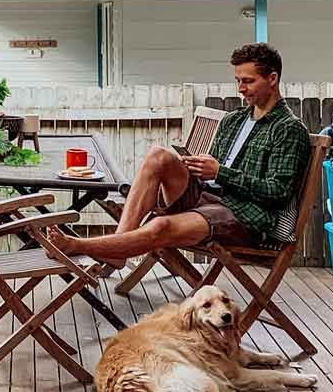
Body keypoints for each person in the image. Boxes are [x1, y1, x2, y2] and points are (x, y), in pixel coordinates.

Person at [49, 43, 309, 266]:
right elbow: (215, 172)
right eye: (238, 80)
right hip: (209, 196)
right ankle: (119, 250)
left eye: (249, 81)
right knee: (159, 155)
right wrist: (196, 166)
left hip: (245, 218)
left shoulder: (288, 128)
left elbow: (278, 192)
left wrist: (220, 172)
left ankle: (78, 246)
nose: (241, 88)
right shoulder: (233, 120)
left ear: (272, 79)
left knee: (161, 227)